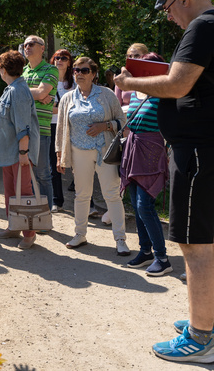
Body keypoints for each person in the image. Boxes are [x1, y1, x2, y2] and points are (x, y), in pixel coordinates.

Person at [114, 0, 214, 364]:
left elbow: (178, 84)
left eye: (169, 9)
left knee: (193, 246)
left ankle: (200, 339)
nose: (169, 18)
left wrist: (132, 80)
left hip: (200, 151)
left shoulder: (201, 27)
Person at [56, 56, 129, 255]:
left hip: (104, 151)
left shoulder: (106, 95)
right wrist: (59, 154)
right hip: (78, 151)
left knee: (112, 194)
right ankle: (80, 234)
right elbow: (62, 128)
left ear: (94, 74)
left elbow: (123, 123)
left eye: (84, 70)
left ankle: (120, 238)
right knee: (82, 195)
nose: (79, 73)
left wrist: (104, 126)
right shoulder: (68, 98)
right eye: (76, 70)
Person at [120, 52, 172, 276]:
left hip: (152, 151)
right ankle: (146, 251)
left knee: (144, 205)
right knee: (134, 202)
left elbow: (171, 124)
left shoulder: (165, 95)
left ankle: (162, 257)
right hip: (133, 148)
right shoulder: (133, 93)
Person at [0, 51, 41, 249]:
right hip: (10, 152)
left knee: (24, 193)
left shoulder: (18, 91)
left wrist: (24, 152)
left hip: (19, 152)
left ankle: (29, 233)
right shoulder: (12, 88)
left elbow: (23, 125)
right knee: (11, 191)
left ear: (3, 69)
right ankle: (14, 226)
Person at [21, 35, 59, 216]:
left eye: (31, 44)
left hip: (41, 129)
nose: (27, 47)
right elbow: (37, 93)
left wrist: (24, 92)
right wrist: (36, 94)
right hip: (21, 129)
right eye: (25, 44)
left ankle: (44, 217)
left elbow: (43, 92)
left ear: (42, 48)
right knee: (25, 175)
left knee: (43, 174)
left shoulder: (51, 69)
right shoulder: (22, 71)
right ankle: (29, 214)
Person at [49, 49, 74, 212]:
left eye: (63, 58)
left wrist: (59, 108)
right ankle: (57, 201)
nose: (59, 60)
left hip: (71, 125)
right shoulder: (48, 81)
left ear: (69, 62)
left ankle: (89, 203)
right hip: (52, 125)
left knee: (78, 164)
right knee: (53, 165)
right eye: (57, 57)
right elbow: (45, 105)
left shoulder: (74, 82)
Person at [115, 43, 149, 108]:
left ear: (145, 57)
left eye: (136, 56)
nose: (133, 59)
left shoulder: (151, 77)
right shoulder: (122, 78)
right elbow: (116, 108)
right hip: (126, 116)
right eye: (130, 56)